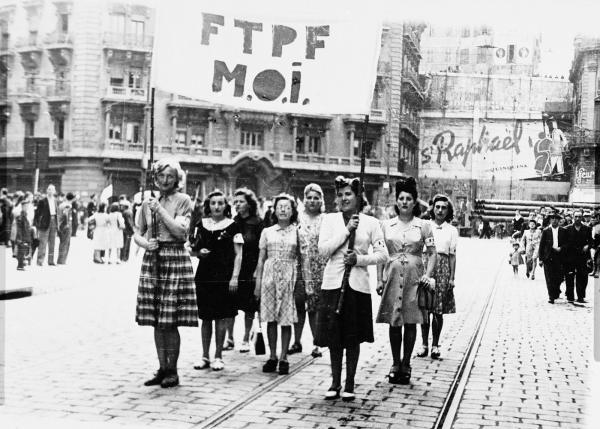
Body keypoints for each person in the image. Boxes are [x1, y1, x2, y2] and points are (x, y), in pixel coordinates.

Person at [316, 176, 388, 401]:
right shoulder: (330, 220)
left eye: (348, 194)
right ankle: (335, 382)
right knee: (334, 336)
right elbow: (323, 250)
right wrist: (347, 230)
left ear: (358, 197)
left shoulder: (371, 223)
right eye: (340, 194)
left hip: (357, 286)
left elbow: (383, 254)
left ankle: (349, 383)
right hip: (333, 285)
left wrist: (359, 259)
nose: (344, 198)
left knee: (352, 337)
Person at [134, 158, 198, 388]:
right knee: (156, 321)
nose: (165, 180)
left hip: (174, 257)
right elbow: (137, 232)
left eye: (170, 176)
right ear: (155, 178)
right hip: (154, 259)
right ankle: (161, 368)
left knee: (170, 321)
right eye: (161, 176)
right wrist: (144, 244)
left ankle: (173, 370)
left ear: (177, 179)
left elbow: (181, 232)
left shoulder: (183, 201)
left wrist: (160, 210)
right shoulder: (147, 203)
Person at [376, 177, 436, 385]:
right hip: (392, 276)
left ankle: (406, 363)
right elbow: (381, 253)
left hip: (414, 278)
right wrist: (379, 279)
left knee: (411, 321)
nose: (404, 202)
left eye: (408, 198)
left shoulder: (423, 226)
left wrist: (427, 275)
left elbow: (433, 252)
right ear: (396, 201)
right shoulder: (387, 225)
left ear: (414, 202)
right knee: (394, 322)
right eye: (401, 198)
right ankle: (394, 363)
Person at [193, 190, 243, 371]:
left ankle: (218, 356)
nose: (216, 206)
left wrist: (235, 277)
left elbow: (239, 254)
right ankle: (204, 356)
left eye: (220, 203)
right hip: (204, 276)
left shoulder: (233, 226)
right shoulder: (201, 224)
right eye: (213, 203)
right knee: (206, 317)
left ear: (225, 206)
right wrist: (199, 253)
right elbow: (192, 247)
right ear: (208, 206)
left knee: (221, 317)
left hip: (224, 276)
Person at [254, 194, 300, 376]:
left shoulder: (297, 231)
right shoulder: (267, 232)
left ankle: (284, 357)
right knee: (271, 318)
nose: (283, 209)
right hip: (269, 277)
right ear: (274, 210)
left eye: (287, 207)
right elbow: (260, 259)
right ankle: (272, 356)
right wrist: (258, 283)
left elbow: (301, 258)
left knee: (286, 319)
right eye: (280, 206)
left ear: (292, 211)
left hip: (289, 277)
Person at [289, 183, 327, 358]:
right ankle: (296, 341)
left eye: (316, 198)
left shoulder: (326, 219)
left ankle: (317, 342)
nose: (312, 201)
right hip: (299, 266)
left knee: (315, 307)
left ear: (321, 200)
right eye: (309, 197)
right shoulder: (297, 217)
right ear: (304, 199)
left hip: (319, 267)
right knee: (298, 304)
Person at [417, 194, 457, 361]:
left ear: (448, 211)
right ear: (432, 208)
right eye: (438, 207)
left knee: (438, 309)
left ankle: (435, 345)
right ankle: (424, 344)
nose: (440, 210)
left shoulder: (452, 230)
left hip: (443, 268)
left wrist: (452, 278)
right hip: (426, 265)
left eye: (444, 208)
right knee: (424, 307)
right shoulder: (425, 226)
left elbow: (453, 255)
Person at [228, 188, 263, 353]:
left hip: (250, 268)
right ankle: (229, 338)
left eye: (241, 201)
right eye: (235, 202)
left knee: (249, 307)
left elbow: (262, 250)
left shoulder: (257, 223)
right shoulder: (232, 222)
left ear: (249, 204)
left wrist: (258, 271)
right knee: (230, 305)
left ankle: (246, 338)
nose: (237, 204)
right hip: (234, 268)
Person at [563, 210, 593, 304]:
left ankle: (581, 297)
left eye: (579, 217)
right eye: (576, 216)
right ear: (572, 217)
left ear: (582, 218)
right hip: (570, 256)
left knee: (582, 277)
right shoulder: (567, 229)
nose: (577, 218)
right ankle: (570, 296)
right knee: (569, 276)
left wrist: (588, 246)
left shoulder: (587, 229)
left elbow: (591, 241)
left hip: (582, 256)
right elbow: (563, 242)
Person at [538, 211, 567, 304]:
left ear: (559, 221)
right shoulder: (546, 231)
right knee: (549, 277)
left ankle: (556, 290)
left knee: (559, 277)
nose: (554, 221)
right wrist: (541, 259)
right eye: (552, 219)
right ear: (550, 220)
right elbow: (541, 246)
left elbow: (567, 243)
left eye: (556, 219)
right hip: (548, 257)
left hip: (559, 257)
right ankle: (551, 296)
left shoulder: (563, 231)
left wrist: (561, 248)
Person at [33, 184, 58, 266]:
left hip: (54, 221)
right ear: (47, 190)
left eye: (52, 189)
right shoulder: (42, 201)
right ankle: (40, 261)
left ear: (54, 191)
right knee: (43, 242)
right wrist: (37, 224)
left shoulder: (55, 200)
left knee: (52, 242)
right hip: (45, 222)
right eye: (49, 189)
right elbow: (37, 213)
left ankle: (51, 261)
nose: (50, 191)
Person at [14, 195, 35, 271]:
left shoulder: (25, 215)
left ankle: (22, 264)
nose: (26, 207)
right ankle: (20, 265)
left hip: (25, 236)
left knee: (23, 251)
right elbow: (19, 229)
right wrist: (20, 239)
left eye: (27, 206)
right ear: (22, 207)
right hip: (22, 237)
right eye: (25, 206)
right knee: (21, 251)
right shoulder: (20, 216)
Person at [57, 192, 75, 264]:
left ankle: (61, 259)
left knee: (62, 242)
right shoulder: (68, 205)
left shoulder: (61, 204)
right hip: (66, 225)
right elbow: (65, 214)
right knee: (66, 243)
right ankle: (62, 260)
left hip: (61, 225)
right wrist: (67, 223)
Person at [119, 196, 135, 262]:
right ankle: (125, 257)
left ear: (125, 206)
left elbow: (129, 222)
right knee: (127, 244)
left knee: (125, 244)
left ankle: (123, 257)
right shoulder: (128, 212)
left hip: (126, 230)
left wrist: (131, 229)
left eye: (122, 206)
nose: (121, 207)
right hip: (128, 231)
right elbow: (130, 223)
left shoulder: (125, 212)